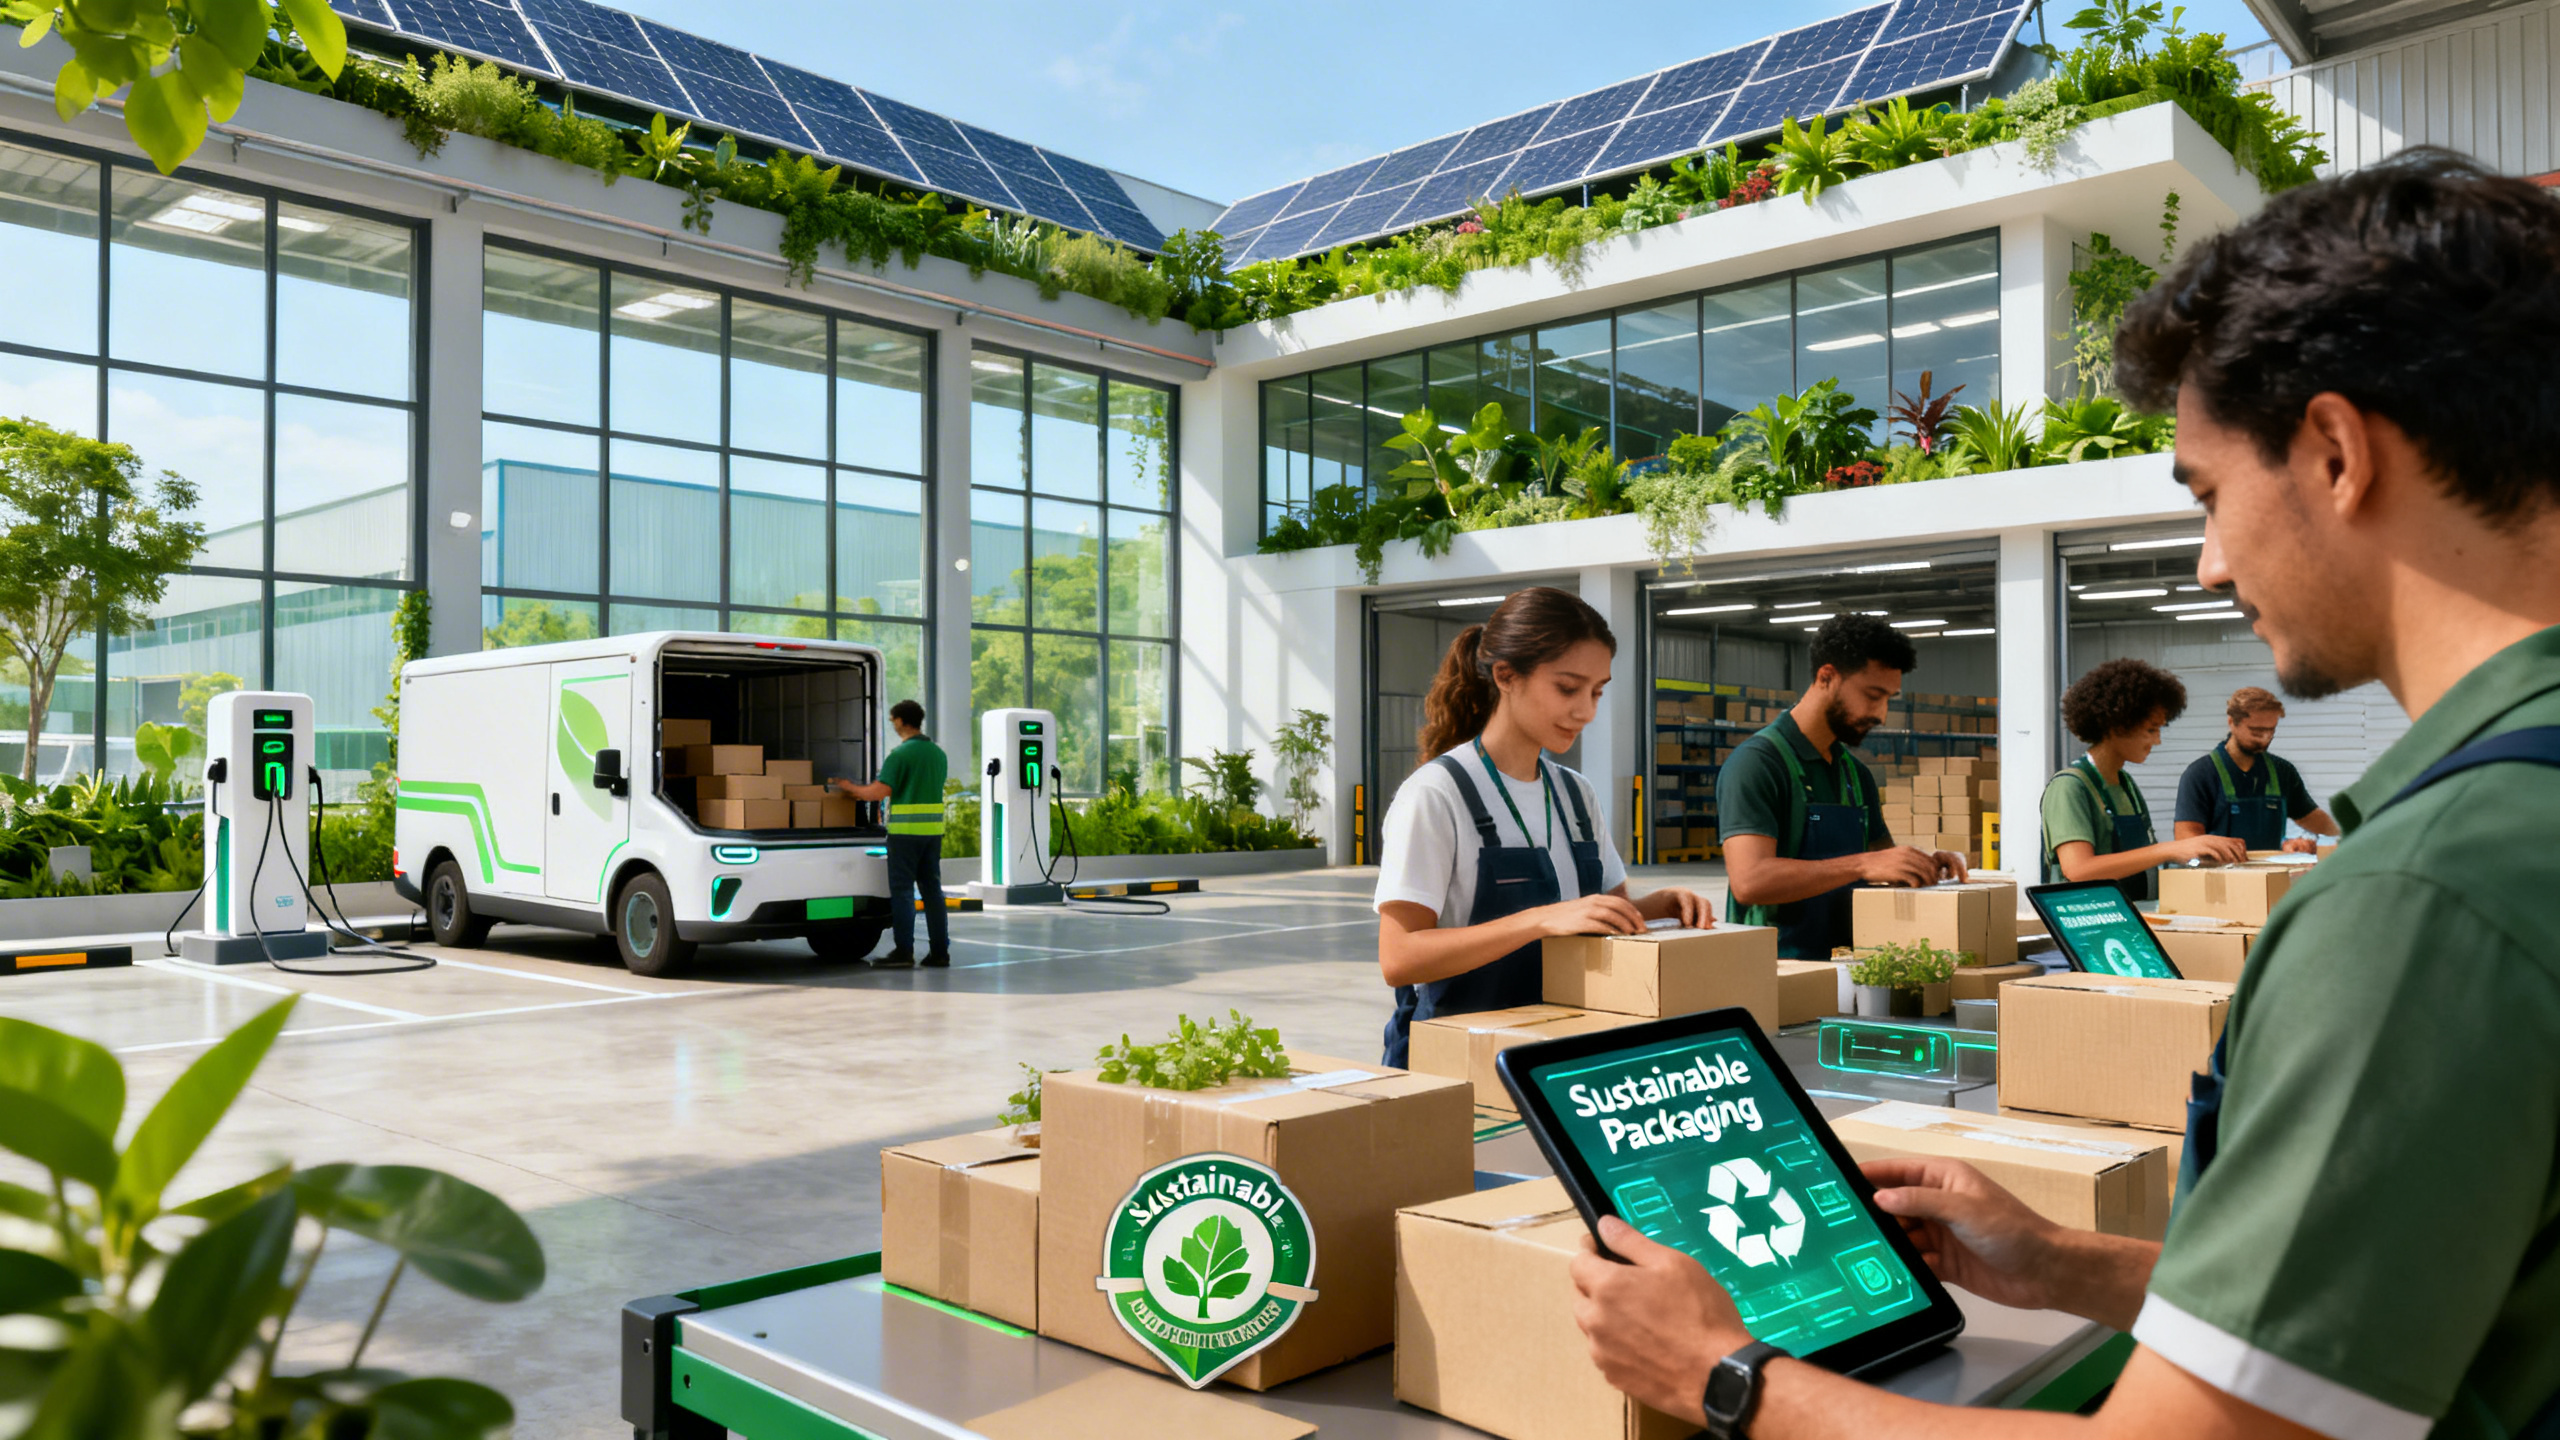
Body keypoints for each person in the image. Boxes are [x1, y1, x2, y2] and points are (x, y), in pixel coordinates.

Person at [1569, 148, 2560, 1440]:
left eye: (2209, 496)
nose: (2208, 564)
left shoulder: (2419, 904)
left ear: (2333, 453)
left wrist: (1726, 1374)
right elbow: (2400, 1307)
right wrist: (2056, 1259)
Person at [1374, 587, 1713, 1067]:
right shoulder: (1436, 794)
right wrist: (1539, 921)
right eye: (1568, 688)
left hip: (1565, 1056)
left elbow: (1602, 915)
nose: (1586, 711)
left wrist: (1657, 906)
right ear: (1506, 676)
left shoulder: (1576, 794)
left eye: (1597, 691)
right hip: (1460, 1064)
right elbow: (1400, 958)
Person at [1718, 614, 1968, 959]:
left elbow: (1881, 864)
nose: (1881, 714)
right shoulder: (1758, 764)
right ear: (1827, 677)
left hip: (1849, 966)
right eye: (1872, 695)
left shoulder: (1855, 774)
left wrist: (1922, 866)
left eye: (1888, 699)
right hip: (1774, 969)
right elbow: (1750, 882)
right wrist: (1862, 865)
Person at [2039, 659, 2245, 903]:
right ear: (2116, 725)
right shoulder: (2069, 787)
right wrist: (2171, 849)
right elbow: (2079, 870)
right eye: (2151, 730)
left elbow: (2141, 862)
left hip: (2132, 913)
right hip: (2087, 918)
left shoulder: (2125, 785)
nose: (2157, 740)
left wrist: (2195, 854)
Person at [831, 699, 949, 969]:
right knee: (932, 892)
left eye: (893, 720)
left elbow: (879, 792)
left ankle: (903, 952)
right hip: (933, 833)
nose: (893, 724)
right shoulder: (937, 753)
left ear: (900, 721)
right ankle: (940, 953)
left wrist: (850, 788)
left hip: (905, 834)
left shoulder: (900, 755)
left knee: (903, 892)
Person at [2173, 686, 2341, 853]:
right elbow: (2186, 840)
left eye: (2271, 730)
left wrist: (2347, 836)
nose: (2265, 738)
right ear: (2232, 722)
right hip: (2220, 870)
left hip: (2269, 868)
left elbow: (2312, 818)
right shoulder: (2200, 775)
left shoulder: (2283, 772)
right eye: (2256, 731)